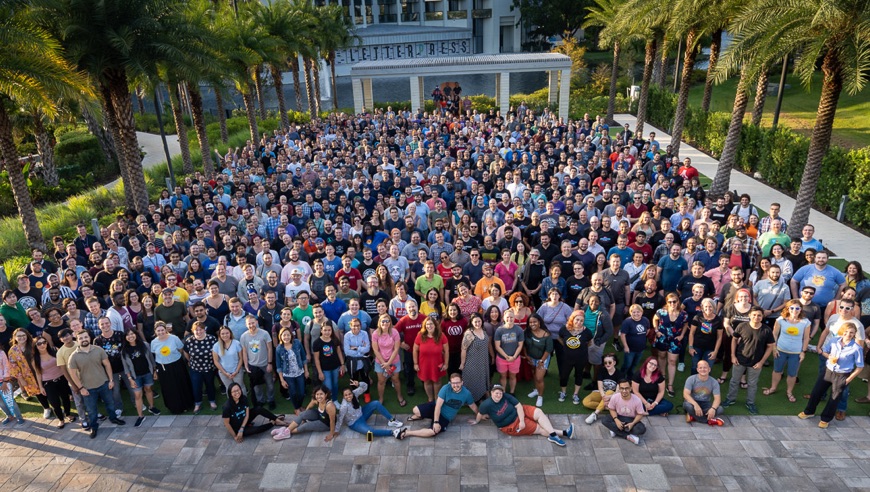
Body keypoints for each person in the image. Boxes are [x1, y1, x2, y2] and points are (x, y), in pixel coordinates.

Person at [800, 322, 864, 428]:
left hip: (842, 374)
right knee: (816, 392)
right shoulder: (834, 341)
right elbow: (824, 351)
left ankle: (825, 419)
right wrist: (829, 357)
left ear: (854, 334)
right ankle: (809, 412)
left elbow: (860, 366)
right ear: (842, 331)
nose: (848, 334)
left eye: (851, 332)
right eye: (846, 331)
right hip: (828, 370)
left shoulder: (856, 348)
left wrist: (848, 379)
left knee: (834, 398)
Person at [66, 331, 126, 438]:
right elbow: (73, 374)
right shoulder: (74, 356)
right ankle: (94, 427)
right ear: (77, 340)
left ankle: (113, 418)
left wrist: (111, 380)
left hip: (104, 384)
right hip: (88, 388)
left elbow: (107, 365)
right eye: (81, 338)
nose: (84, 339)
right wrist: (81, 388)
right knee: (91, 410)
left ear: (89, 338)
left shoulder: (98, 350)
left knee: (110, 403)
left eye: (86, 337)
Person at [473, 383, 574, 446]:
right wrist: (477, 421)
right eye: (496, 393)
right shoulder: (486, 405)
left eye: (500, 392)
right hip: (510, 425)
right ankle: (564, 433)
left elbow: (518, 406)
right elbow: (479, 413)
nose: (499, 395)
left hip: (519, 413)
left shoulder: (505, 396)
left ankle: (553, 435)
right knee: (539, 429)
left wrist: (522, 420)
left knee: (538, 412)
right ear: (491, 393)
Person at [722, 306, 775, 415]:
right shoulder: (742, 326)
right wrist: (733, 355)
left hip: (756, 363)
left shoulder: (766, 330)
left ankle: (750, 403)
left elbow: (770, 346)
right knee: (734, 381)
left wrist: (761, 362)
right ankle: (730, 399)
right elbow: (734, 340)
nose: (756, 317)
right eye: (754, 315)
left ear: (762, 316)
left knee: (752, 384)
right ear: (749, 316)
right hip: (739, 360)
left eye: (759, 315)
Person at [394, 373, 479, 440]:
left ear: (462, 382)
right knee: (415, 410)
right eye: (453, 383)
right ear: (450, 383)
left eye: (458, 383)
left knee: (433, 432)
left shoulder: (466, 393)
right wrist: (436, 422)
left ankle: (408, 432)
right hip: (436, 407)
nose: (456, 385)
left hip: (445, 417)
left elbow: (473, 406)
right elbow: (438, 406)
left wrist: (479, 416)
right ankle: (422, 416)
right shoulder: (445, 388)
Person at [763, 300, 811, 403]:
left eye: (797, 308)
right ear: (788, 309)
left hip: (796, 353)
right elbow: (774, 335)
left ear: (801, 309)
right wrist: (774, 348)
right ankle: (773, 388)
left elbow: (806, 338)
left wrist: (803, 351)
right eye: (792, 308)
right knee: (777, 370)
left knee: (792, 374)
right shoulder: (781, 320)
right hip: (781, 350)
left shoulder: (805, 322)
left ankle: (789, 392)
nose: (794, 310)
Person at [150, 321, 195, 414]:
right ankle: (174, 407)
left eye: (162, 330)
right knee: (169, 388)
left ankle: (187, 405)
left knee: (181, 384)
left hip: (177, 365)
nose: (161, 332)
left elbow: (180, 349)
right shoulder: (153, 342)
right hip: (163, 368)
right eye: (158, 331)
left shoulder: (174, 338)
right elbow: (154, 354)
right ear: (155, 331)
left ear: (166, 330)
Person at [7, 329, 53, 418]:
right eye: (19, 336)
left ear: (27, 335)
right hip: (28, 375)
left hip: (42, 370)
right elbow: (14, 367)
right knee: (38, 392)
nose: (21, 338)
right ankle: (46, 408)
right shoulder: (13, 350)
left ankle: (56, 406)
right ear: (15, 337)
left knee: (48, 389)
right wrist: (21, 379)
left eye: (23, 335)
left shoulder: (34, 344)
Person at [333, 381, 403, 439]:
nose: (348, 396)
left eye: (349, 394)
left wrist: (359, 384)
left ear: (352, 393)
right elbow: (340, 418)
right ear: (343, 396)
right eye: (346, 395)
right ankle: (392, 432)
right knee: (370, 431)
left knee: (376, 403)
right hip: (355, 423)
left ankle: (391, 420)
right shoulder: (344, 406)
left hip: (362, 413)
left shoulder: (355, 393)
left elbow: (365, 386)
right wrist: (336, 430)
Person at [121, 330, 159, 427]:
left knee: (149, 389)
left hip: (147, 373)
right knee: (137, 395)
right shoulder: (124, 351)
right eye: (128, 335)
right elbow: (126, 368)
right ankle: (140, 416)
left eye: (132, 334)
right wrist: (130, 379)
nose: (130, 336)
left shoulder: (145, 345)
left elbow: (151, 358)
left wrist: (155, 371)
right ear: (125, 337)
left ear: (136, 335)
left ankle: (152, 407)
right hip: (135, 376)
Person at [273, 385, 337, 441]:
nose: (319, 396)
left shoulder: (329, 406)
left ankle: (286, 432)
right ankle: (286, 430)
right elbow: (309, 407)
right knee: (302, 414)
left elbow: (332, 421)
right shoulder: (316, 400)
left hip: (326, 424)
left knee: (305, 426)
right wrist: (304, 417)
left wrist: (331, 434)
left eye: (321, 394)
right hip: (319, 415)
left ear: (326, 395)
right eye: (317, 394)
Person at [34, 335, 72, 427]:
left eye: (44, 342)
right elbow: (38, 373)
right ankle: (61, 419)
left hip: (61, 378)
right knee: (55, 402)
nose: (42, 345)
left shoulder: (55, 350)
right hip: (48, 382)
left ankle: (68, 414)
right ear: (35, 346)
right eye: (39, 343)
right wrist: (41, 386)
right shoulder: (35, 358)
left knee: (65, 398)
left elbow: (63, 364)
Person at [557, 310, 593, 405]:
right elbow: (559, 338)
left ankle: (575, 394)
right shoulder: (564, 329)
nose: (579, 322)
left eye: (581, 321)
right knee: (564, 375)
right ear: (572, 319)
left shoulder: (587, 332)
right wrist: (566, 346)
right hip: (566, 358)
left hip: (581, 358)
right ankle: (563, 392)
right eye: (577, 320)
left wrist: (581, 349)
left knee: (579, 375)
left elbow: (590, 342)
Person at [240, 315, 276, 409]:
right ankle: (260, 400)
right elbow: (244, 352)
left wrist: (270, 363)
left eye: (253, 322)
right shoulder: (244, 336)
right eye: (249, 323)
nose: (251, 325)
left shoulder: (264, 333)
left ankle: (270, 400)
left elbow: (269, 349)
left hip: (265, 364)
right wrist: (246, 365)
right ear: (246, 325)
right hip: (253, 365)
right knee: (257, 386)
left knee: (270, 384)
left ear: (256, 322)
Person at [599, 379, 647, 445]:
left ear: (630, 388)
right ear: (619, 389)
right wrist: (616, 420)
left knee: (641, 429)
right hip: (619, 416)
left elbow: (640, 414)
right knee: (605, 420)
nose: (624, 391)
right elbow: (611, 409)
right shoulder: (615, 397)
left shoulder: (637, 400)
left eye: (626, 388)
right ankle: (627, 436)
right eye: (622, 388)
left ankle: (615, 430)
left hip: (631, 419)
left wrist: (632, 424)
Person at [184, 320, 218, 414]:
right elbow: (186, 352)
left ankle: (212, 401)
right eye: (196, 330)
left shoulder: (212, 339)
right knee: (196, 386)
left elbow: (216, 351)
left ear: (205, 329)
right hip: (195, 368)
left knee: (210, 384)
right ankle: (198, 403)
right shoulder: (189, 340)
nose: (199, 332)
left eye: (201, 329)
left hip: (209, 367)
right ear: (193, 331)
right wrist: (189, 361)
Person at [371, 314, 405, 406]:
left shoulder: (395, 332)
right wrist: (385, 364)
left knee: (396, 380)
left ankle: (399, 396)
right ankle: (381, 398)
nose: (385, 323)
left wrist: (389, 363)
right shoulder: (375, 333)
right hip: (380, 362)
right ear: (379, 322)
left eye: (387, 321)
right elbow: (375, 350)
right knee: (381, 381)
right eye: (383, 321)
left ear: (390, 322)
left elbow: (396, 349)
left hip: (393, 361)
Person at [459, 313, 492, 403]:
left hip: (483, 361)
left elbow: (487, 345)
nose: (478, 323)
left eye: (479, 321)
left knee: (482, 379)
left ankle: (483, 397)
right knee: (472, 380)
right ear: (472, 322)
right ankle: (472, 400)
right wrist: (462, 363)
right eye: (475, 322)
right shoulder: (469, 333)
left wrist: (492, 356)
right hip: (472, 362)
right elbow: (463, 349)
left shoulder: (484, 331)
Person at [414, 317, 449, 402]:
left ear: (435, 325)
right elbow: (415, 349)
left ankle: (437, 397)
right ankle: (430, 398)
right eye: (427, 324)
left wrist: (446, 364)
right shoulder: (420, 335)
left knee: (437, 381)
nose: (429, 326)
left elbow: (446, 350)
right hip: (424, 364)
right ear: (425, 326)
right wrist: (415, 363)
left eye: (431, 324)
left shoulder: (441, 335)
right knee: (427, 382)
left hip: (438, 363)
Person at [275, 326, 308, 414]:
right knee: (293, 393)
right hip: (288, 375)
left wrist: (306, 370)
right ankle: (296, 408)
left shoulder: (297, 343)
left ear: (291, 335)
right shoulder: (279, 348)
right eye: (284, 335)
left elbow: (304, 357)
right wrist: (282, 380)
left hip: (300, 372)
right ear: (280, 336)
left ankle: (300, 405)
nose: (286, 337)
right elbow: (278, 366)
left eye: (288, 335)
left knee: (301, 392)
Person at [523, 313, 553, 408]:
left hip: (542, 359)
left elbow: (549, 349)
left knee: (539, 378)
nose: (532, 324)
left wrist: (542, 361)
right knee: (534, 375)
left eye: (534, 321)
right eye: (530, 322)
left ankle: (540, 396)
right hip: (531, 358)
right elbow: (524, 345)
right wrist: (526, 356)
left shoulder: (546, 334)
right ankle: (536, 390)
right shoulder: (526, 332)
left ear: (539, 322)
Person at [583, 352, 622, 424]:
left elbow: (617, 392)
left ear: (614, 362)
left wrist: (609, 396)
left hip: (612, 396)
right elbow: (600, 387)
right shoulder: (602, 371)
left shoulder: (619, 374)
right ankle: (608, 407)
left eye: (610, 362)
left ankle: (595, 414)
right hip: (601, 393)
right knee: (586, 402)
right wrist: (604, 396)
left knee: (609, 391)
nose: (607, 364)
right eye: (605, 362)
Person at [683, 360, 725, 425]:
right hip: (692, 402)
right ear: (697, 369)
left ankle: (693, 416)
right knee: (688, 406)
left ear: (709, 369)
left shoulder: (714, 382)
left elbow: (717, 398)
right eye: (700, 368)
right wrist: (695, 405)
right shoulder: (691, 379)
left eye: (705, 367)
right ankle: (708, 420)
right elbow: (686, 394)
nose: (703, 369)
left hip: (706, 403)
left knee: (720, 409)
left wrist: (713, 409)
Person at [494, 310, 524, 395]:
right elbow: (497, 346)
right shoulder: (499, 330)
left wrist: (514, 356)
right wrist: (506, 356)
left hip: (515, 358)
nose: (509, 319)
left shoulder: (519, 330)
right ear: (504, 318)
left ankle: (512, 392)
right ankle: (503, 392)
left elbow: (520, 345)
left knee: (512, 376)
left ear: (514, 318)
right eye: (507, 317)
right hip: (502, 358)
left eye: (511, 317)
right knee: (503, 376)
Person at [312, 322, 345, 400]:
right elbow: (316, 359)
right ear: (321, 330)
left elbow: (339, 352)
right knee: (328, 386)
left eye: (329, 330)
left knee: (335, 384)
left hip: (335, 367)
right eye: (325, 330)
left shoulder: (335, 340)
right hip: (325, 369)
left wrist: (342, 364)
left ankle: (335, 399)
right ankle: (329, 401)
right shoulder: (317, 343)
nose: (327, 332)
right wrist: (320, 372)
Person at [213, 326, 245, 395]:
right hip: (224, 373)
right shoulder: (216, 346)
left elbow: (241, 358)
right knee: (229, 388)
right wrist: (225, 373)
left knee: (240, 387)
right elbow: (216, 361)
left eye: (227, 333)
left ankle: (243, 403)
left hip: (237, 371)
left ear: (230, 333)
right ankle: (233, 404)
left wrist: (236, 371)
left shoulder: (236, 343)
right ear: (220, 335)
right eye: (223, 334)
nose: (225, 335)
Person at [0, 347, 25, 424]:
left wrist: (5, 381)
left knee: (10, 400)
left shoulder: (1, 353)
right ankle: (9, 416)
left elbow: (7, 367)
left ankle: (19, 417)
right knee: (0, 403)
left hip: (3, 381)